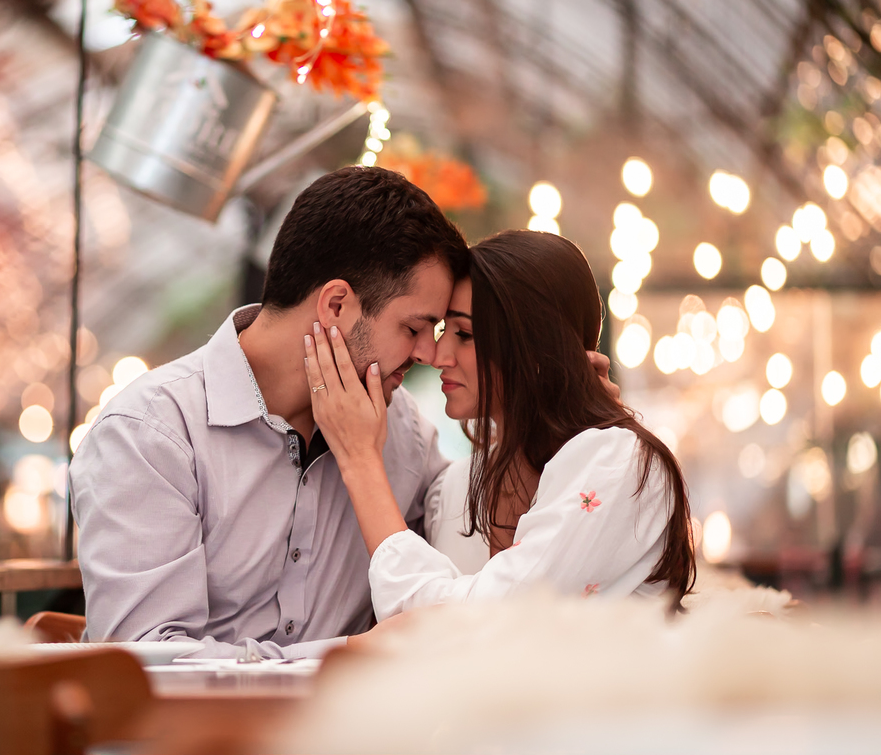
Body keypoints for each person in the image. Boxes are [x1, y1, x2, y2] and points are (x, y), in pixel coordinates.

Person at [70, 166, 468, 659]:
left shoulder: (404, 434)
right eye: (413, 328)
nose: (428, 355)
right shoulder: (150, 435)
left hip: (355, 734)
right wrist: (343, 655)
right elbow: (149, 667)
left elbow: (475, 565)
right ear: (336, 305)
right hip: (195, 737)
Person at [302, 229, 695, 622]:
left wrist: (360, 460)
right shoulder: (453, 489)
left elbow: (477, 625)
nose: (437, 355)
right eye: (442, 332)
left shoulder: (618, 463)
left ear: (537, 346)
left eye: (465, 334)